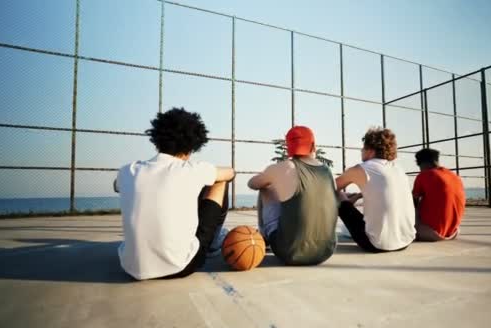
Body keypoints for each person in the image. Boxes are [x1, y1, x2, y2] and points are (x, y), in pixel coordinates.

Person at [115, 108, 235, 280]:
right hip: (180, 267)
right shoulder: (193, 169)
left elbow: (117, 186)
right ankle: (212, 243)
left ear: (156, 141)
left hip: (131, 267)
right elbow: (230, 173)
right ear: (193, 145)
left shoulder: (128, 170)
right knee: (219, 181)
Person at [247, 126, 338, 265]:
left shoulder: (285, 167)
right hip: (326, 252)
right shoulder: (327, 171)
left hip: (289, 253)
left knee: (266, 188)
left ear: (288, 148)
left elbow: (252, 183)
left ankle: (264, 238)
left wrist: (272, 178)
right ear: (313, 146)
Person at [335, 127, 415, 252]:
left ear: (371, 151)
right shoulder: (399, 170)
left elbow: (331, 187)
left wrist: (344, 197)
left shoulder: (363, 168)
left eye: (363, 148)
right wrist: (354, 196)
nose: (361, 151)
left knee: (336, 196)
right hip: (406, 241)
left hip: (376, 245)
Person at [412, 148, 465, 241]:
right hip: (453, 232)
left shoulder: (424, 175)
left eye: (419, 165)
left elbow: (412, 202)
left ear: (423, 163)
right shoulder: (454, 176)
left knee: (411, 203)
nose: (420, 169)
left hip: (431, 233)